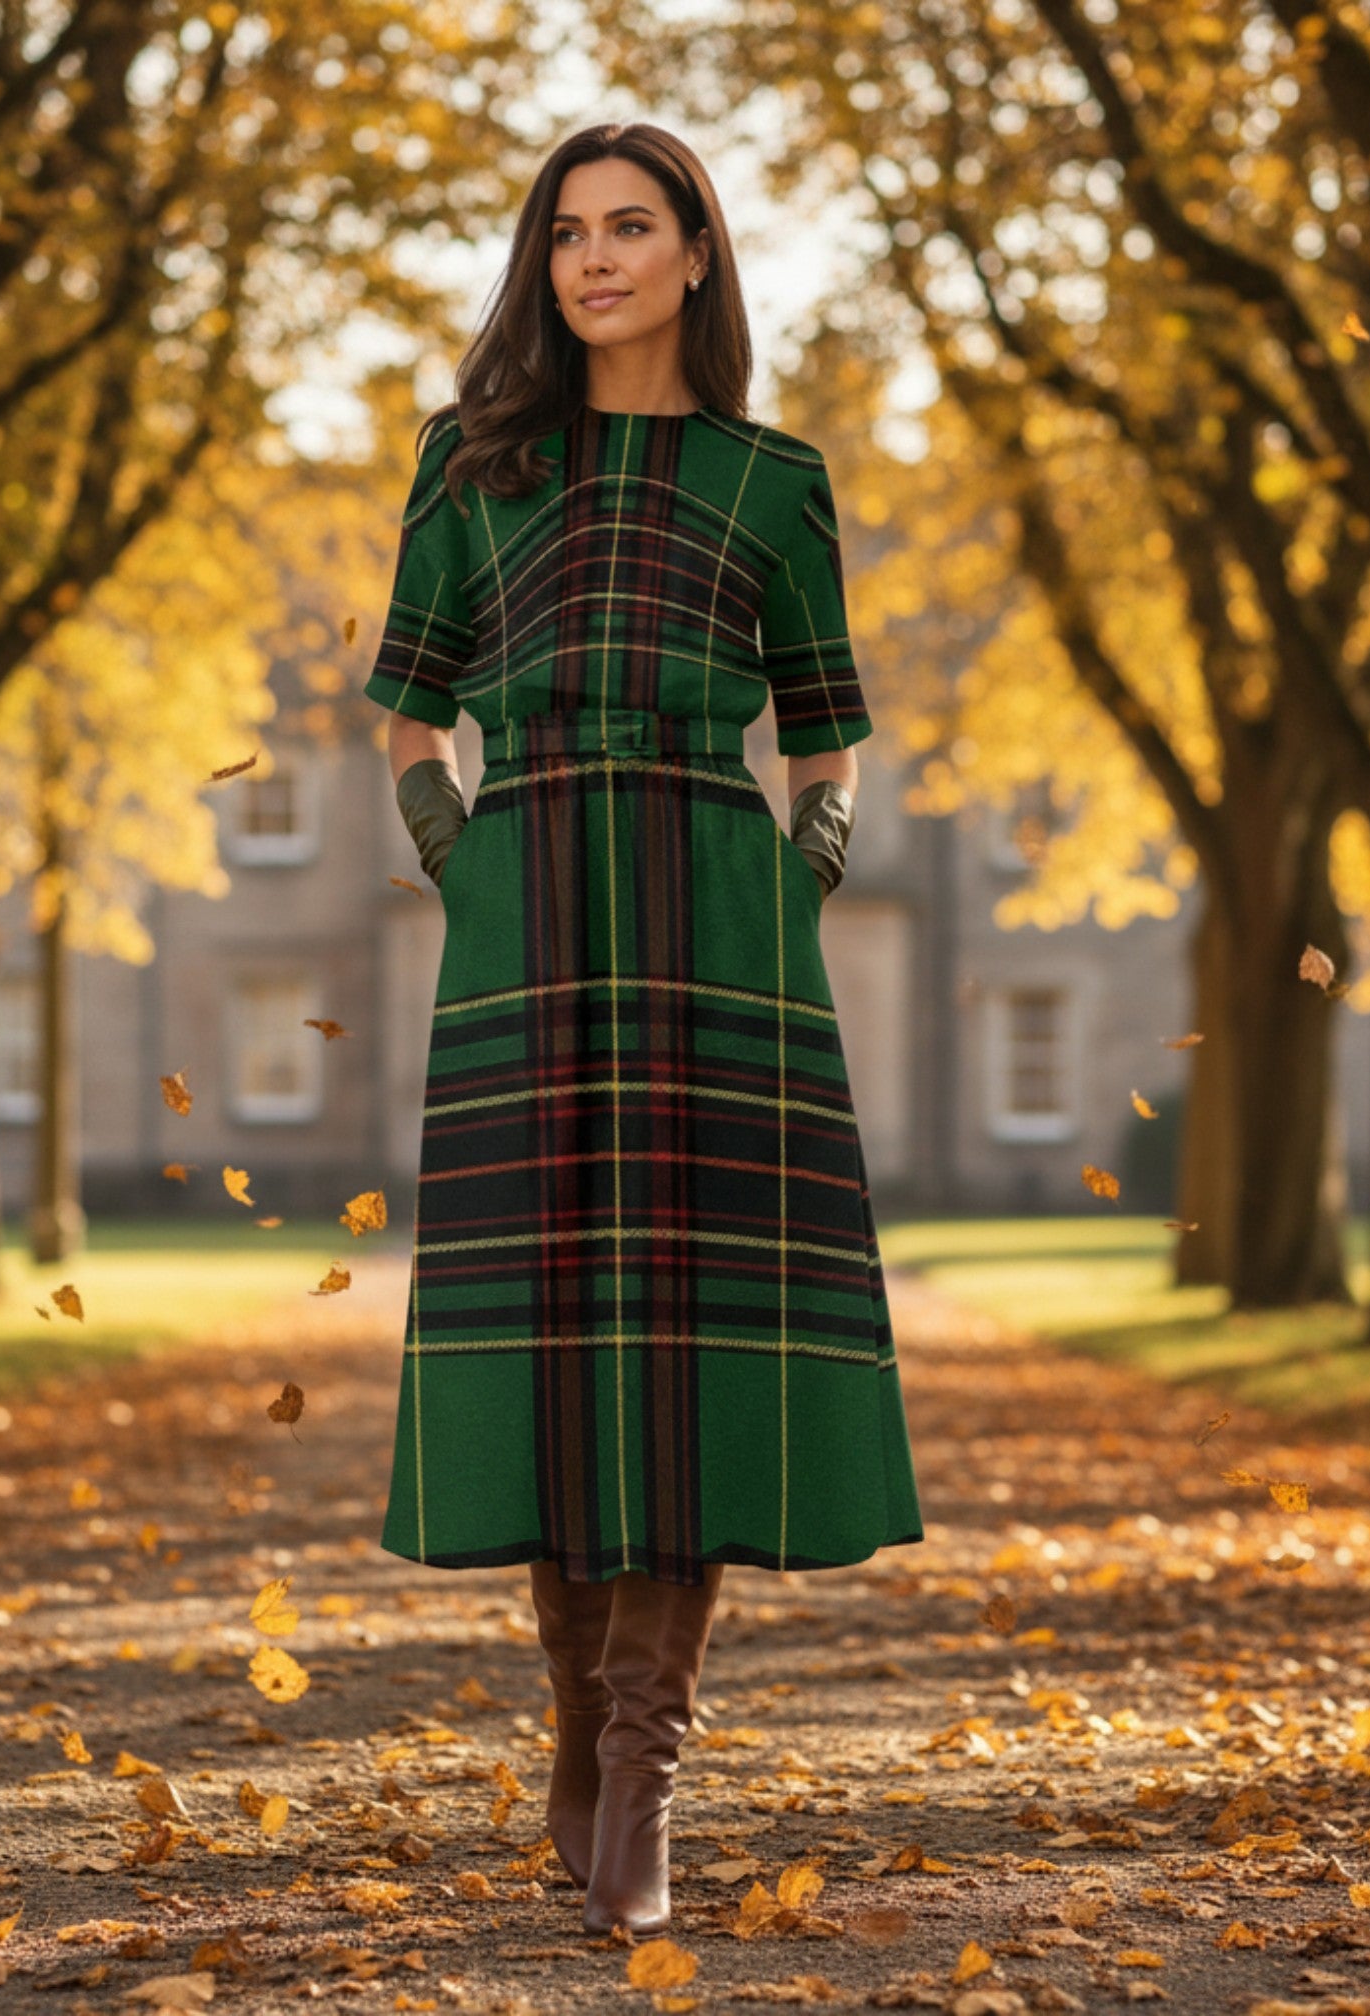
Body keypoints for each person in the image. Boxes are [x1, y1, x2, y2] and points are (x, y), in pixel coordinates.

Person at [366, 120, 923, 1943]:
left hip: (714, 923)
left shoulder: (777, 482)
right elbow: (409, 723)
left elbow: (827, 735)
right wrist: (470, 878)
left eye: (631, 227)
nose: (594, 258)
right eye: (566, 233)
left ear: (696, 252)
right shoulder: (471, 465)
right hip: (527, 915)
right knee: (553, 1332)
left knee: (678, 1342)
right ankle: (575, 1730)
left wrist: (800, 881)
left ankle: (647, 1759)